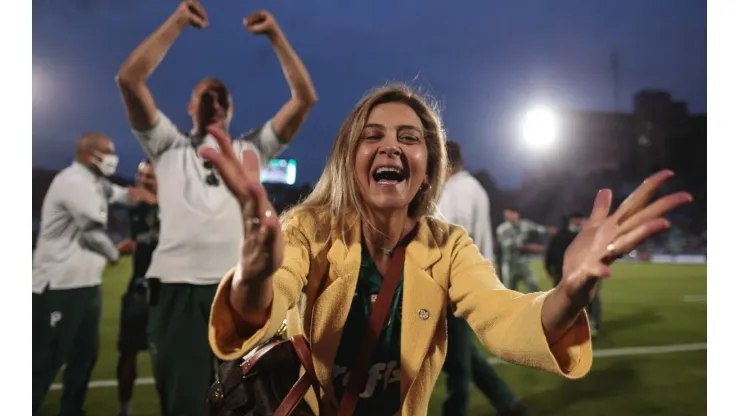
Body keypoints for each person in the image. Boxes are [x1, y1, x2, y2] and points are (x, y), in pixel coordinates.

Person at [201, 83, 691, 415]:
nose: (391, 146)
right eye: (373, 136)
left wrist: (570, 290)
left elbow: (506, 319)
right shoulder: (310, 228)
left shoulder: (448, 246)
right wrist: (255, 273)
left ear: (427, 165)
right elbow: (258, 309)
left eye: (408, 138)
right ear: (349, 161)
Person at [115, 2, 317, 414]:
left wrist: (276, 36)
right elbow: (129, 79)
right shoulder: (167, 145)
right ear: (190, 107)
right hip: (177, 289)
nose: (215, 99)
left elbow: (304, 98)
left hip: (239, 289)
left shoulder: (251, 149)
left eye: (222, 95)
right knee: (184, 404)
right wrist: (177, 21)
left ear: (232, 108)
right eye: (205, 94)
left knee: (251, 403)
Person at [32, 134, 155, 416]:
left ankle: (72, 410)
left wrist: (145, 195)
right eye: (108, 153)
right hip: (59, 286)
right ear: (91, 156)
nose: (114, 158)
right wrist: (114, 254)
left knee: (84, 356)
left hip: (87, 285)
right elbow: (92, 234)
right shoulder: (73, 182)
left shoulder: (96, 184)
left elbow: (123, 194)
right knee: (45, 360)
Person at [437, 141, 524, 416]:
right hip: (466, 282)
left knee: (457, 362)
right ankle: (509, 404)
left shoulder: (455, 192)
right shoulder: (472, 188)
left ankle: (458, 410)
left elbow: (448, 235)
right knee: (461, 354)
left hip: (454, 285)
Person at [114, 160, 159, 416]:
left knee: (171, 356)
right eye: (141, 174)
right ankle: (124, 410)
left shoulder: (177, 207)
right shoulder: (136, 209)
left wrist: (156, 202)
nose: (143, 180)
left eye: (150, 176)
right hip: (139, 289)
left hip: (168, 293)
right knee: (127, 352)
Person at [546, 212, 601, 334]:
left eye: (580, 220)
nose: (578, 222)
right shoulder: (561, 235)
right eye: (576, 220)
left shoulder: (591, 235)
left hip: (587, 272)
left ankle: (593, 324)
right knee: (565, 301)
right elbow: (551, 253)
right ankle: (566, 325)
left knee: (590, 299)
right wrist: (550, 269)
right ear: (571, 221)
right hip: (565, 273)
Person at [496, 207, 554, 292]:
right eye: (507, 216)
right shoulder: (502, 229)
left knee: (533, 285)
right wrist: (530, 247)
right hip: (510, 264)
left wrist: (548, 231)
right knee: (509, 289)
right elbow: (506, 244)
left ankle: (538, 304)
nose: (509, 217)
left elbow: (538, 229)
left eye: (511, 215)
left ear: (517, 214)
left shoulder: (525, 225)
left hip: (523, 262)